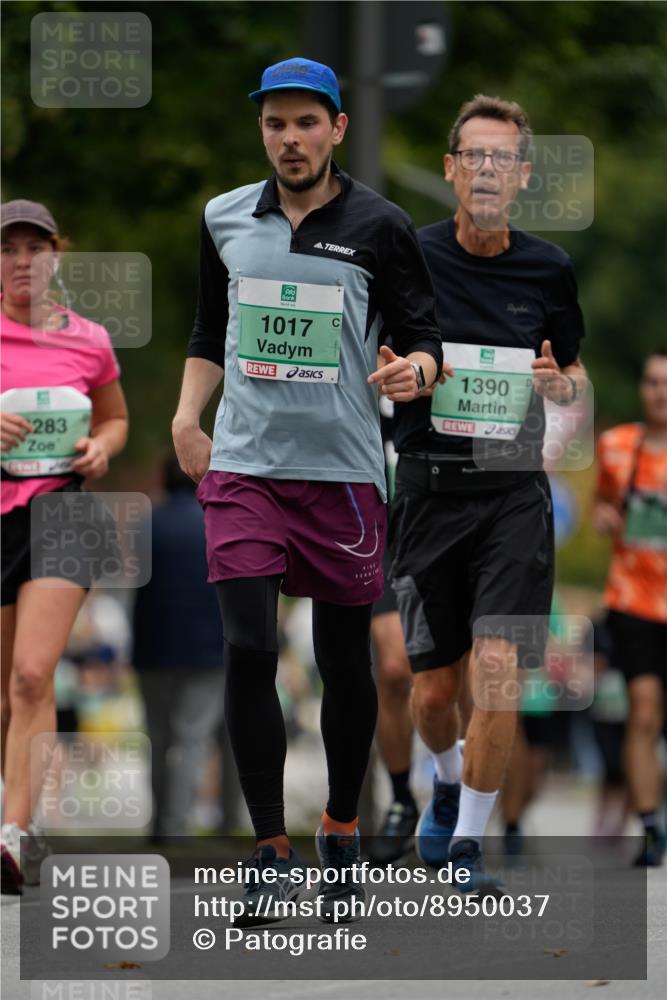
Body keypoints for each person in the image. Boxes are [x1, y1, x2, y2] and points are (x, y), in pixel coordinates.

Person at [172, 58, 442, 925]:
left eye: (304, 123)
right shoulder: (222, 217)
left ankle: (338, 825)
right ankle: (266, 851)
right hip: (246, 465)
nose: (289, 139)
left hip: (343, 476)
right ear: (262, 131)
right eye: (274, 125)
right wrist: (186, 414)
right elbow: (210, 329)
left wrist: (415, 370)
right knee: (248, 647)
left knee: (342, 662)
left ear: (335, 128)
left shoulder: (382, 224)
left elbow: (421, 336)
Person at [389, 95, 587, 893]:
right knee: (433, 691)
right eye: (472, 155)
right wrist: (400, 372)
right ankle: (443, 777)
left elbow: (570, 377)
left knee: (498, 672)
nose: (485, 170)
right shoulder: (411, 255)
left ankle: (467, 846)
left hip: (511, 494)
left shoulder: (548, 269)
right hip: (429, 490)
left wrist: (558, 386)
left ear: (522, 176)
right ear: (449, 168)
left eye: (500, 158)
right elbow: (380, 346)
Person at [1, 199, 128, 893]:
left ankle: (13, 834)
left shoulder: (90, 339)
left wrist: (100, 451)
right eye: (8, 249)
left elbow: (115, 420)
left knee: (31, 676)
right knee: (3, 695)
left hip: (63, 515)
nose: (22, 261)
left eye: (35, 247)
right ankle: (24, 821)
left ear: (58, 254)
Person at [592, 349, 667, 865]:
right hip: (633, 599)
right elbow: (601, 500)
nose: (660, 392)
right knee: (642, 711)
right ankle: (649, 826)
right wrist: (603, 516)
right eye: (653, 382)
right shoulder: (617, 446)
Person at [132, 454, 225, 842]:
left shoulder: (145, 525)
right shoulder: (216, 525)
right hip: (207, 653)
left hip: (153, 650)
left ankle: (158, 825)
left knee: (158, 739)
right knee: (192, 739)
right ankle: (178, 825)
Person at [368, 392, 418, 864]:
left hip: (440, 524)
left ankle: (455, 791)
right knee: (395, 667)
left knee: (456, 674)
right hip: (379, 537)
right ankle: (402, 797)